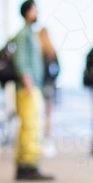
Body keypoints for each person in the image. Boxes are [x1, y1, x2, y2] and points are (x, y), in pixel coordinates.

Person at [12, 0, 53, 181]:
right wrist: (28, 84)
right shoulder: (24, 35)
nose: (37, 13)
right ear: (28, 12)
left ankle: (25, 165)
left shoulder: (30, 34)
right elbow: (21, 61)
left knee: (30, 127)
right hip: (29, 88)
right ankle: (29, 166)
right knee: (31, 127)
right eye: (35, 9)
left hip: (32, 87)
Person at [37, 27, 59, 155]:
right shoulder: (51, 50)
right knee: (49, 114)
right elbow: (58, 69)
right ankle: (47, 138)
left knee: (38, 113)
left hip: (38, 85)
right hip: (49, 85)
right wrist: (52, 79)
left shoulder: (38, 50)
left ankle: (38, 138)